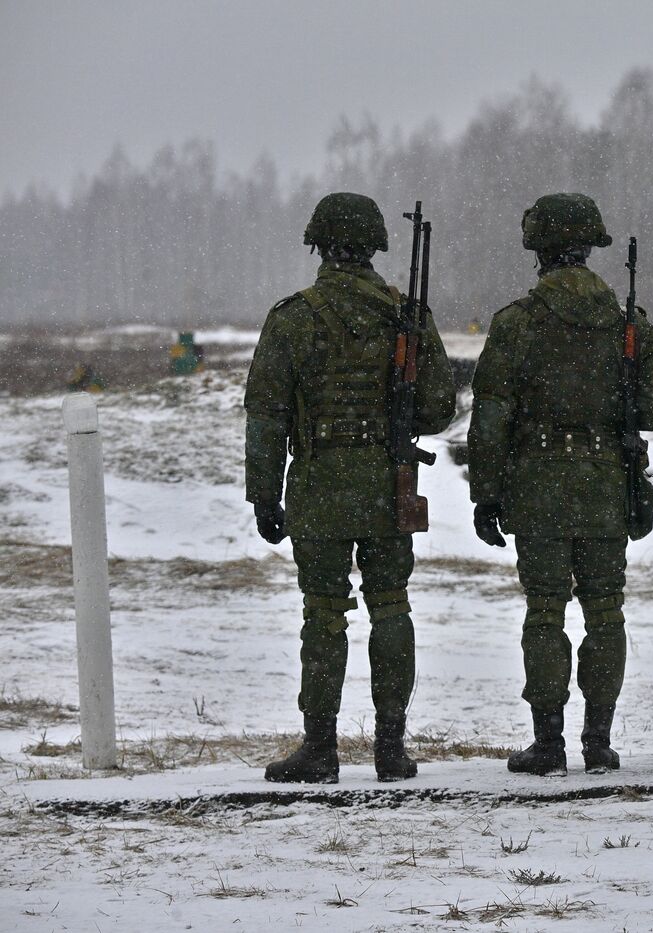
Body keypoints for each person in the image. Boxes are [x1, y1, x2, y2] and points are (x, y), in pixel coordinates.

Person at [245, 192, 456, 783]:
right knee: (391, 607)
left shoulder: (294, 317)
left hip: (318, 483)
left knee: (324, 614)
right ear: (374, 244)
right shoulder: (405, 316)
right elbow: (439, 408)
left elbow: (266, 414)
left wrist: (263, 493)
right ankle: (391, 748)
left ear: (318, 243)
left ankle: (320, 749)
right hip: (390, 482)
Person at [467, 193, 653, 776]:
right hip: (607, 487)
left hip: (538, 488)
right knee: (606, 611)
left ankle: (549, 742)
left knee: (544, 612)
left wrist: (485, 493)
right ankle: (599, 741)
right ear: (590, 247)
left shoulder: (518, 323)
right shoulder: (626, 323)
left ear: (539, 248)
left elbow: (490, 419)